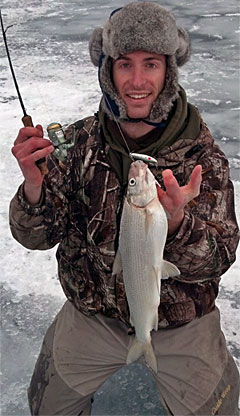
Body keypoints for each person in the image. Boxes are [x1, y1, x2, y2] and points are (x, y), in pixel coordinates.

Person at [9, 2, 239, 415]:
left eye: (150, 64)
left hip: (181, 323)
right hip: (92, 314)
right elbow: (35, 238)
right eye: (123, 64)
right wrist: (33, 185)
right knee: (46, 406)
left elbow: (219, 259)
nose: (137, 80)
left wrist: (179, 225)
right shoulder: (76, 146)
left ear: (168, 71)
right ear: (108, 72)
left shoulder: (204, 159)